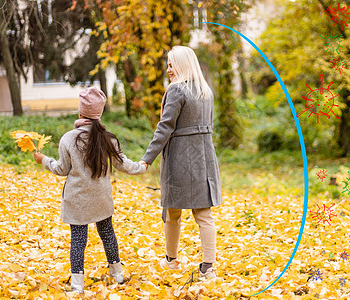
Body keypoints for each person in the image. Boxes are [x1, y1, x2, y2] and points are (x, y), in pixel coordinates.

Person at [33, 87, 146, 293]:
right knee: (108, 234)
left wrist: (44, 160)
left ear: (80, 113)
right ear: (99, 114)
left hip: (77, 200)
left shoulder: (68, 139)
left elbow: (61, 169)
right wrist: (141, 167)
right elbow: (124, 164)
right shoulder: (108, 138)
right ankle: (117, 274)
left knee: (78, 240)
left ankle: (77, 285)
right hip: (101, 199)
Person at [141, 46, 222, 279]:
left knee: (172, 212)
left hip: (179, 158)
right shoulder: (206, 91)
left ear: (182, 65)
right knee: (204, 214)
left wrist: (147, 159)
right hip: (205, 157)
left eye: (171, 64)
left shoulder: (176, 90)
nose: (168, 70)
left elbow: (165, 128)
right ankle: (208, 267)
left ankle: (172, 260)